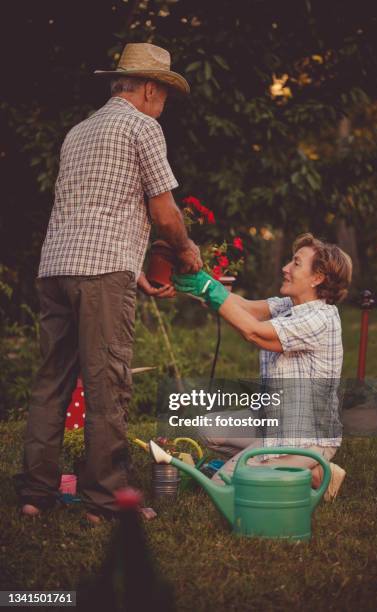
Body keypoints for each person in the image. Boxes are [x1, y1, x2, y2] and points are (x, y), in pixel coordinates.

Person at [14, 43, 202, 522]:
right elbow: (163, 211)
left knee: (51, 383)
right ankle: (104, 500)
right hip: (100, 277)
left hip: (56, 269)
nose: (163, 103)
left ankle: (36, 494)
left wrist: (133, 270)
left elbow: (91, 210)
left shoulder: (78, 132)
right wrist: (185, 251)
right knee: (108, 385)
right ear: (148, 87)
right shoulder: (142, 126)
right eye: (163, 93)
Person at [173, 233, 352, 500]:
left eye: (296, 263)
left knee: (223, 487)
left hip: (303, 438)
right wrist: (201, 282)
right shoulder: (290, 306)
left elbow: (254, 332)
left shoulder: (319, 319)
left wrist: (207, 289)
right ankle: (312, 474)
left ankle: (306, 468)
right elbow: (245, 307)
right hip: (273, 423)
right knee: (209, 429)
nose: (285, 268)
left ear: (318, 278)